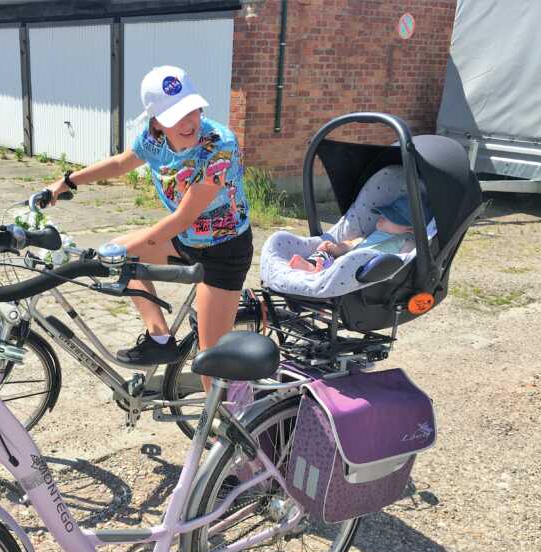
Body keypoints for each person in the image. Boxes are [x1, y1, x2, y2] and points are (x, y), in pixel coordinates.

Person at [47, 65, 252, 373]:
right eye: (175, 117)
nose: (188, 122)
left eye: (192, 110)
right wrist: (68, 181)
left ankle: (229, 418)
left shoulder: (218, 145)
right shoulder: (154, 140)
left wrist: (110, 255)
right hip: (186, 241)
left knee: (210, 361)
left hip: (224, 251)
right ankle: (160, 340)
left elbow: (182, 218)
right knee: (124, 253)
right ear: (157, 122)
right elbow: (120, 163)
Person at [287, 194, 426, 273]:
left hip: (361, 274)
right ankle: (311, 266)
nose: (382, 216)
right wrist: (335, 248)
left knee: (336, 269)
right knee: (323, 253)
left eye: (391, 217)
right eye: (383, 213)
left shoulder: (406, 242)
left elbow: (406, 262)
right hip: (340, 262)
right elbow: (350, 245)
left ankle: (313, 271)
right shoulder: (370, 236)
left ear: (410, 229)